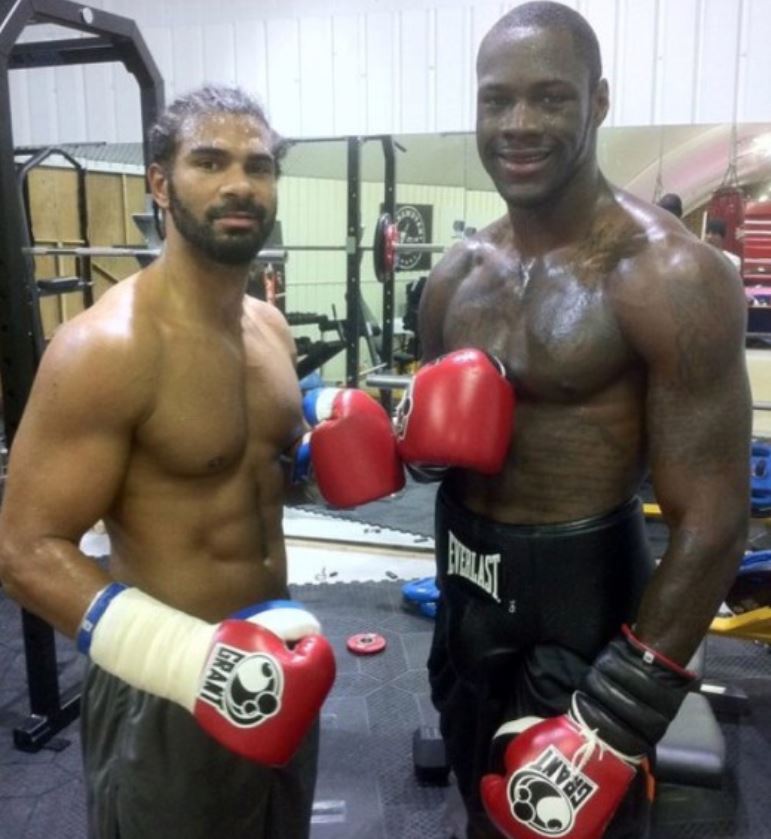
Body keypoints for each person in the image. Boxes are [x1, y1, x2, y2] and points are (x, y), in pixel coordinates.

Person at [394, 3, 751, 837]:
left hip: (591, 618)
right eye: (496, 100)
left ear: (597, 101)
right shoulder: (453, 277)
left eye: (549, 98)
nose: (517, 125)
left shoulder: (669, 277)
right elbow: (431, 453)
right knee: (476, 800)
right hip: (465, 599)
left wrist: (613, 721)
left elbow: (713, 524)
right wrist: (408, 445)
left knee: (572, 822)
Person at [0, 84, 368, 839]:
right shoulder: (108, 348)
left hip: (281, 660)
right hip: (168, 686)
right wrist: (186, 660)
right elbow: (23, 552)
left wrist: (335, 449)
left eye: (259, 166)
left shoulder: (269, 329)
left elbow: (260, 470)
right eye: (209, 161)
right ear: (160, 183)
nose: (239, 183)